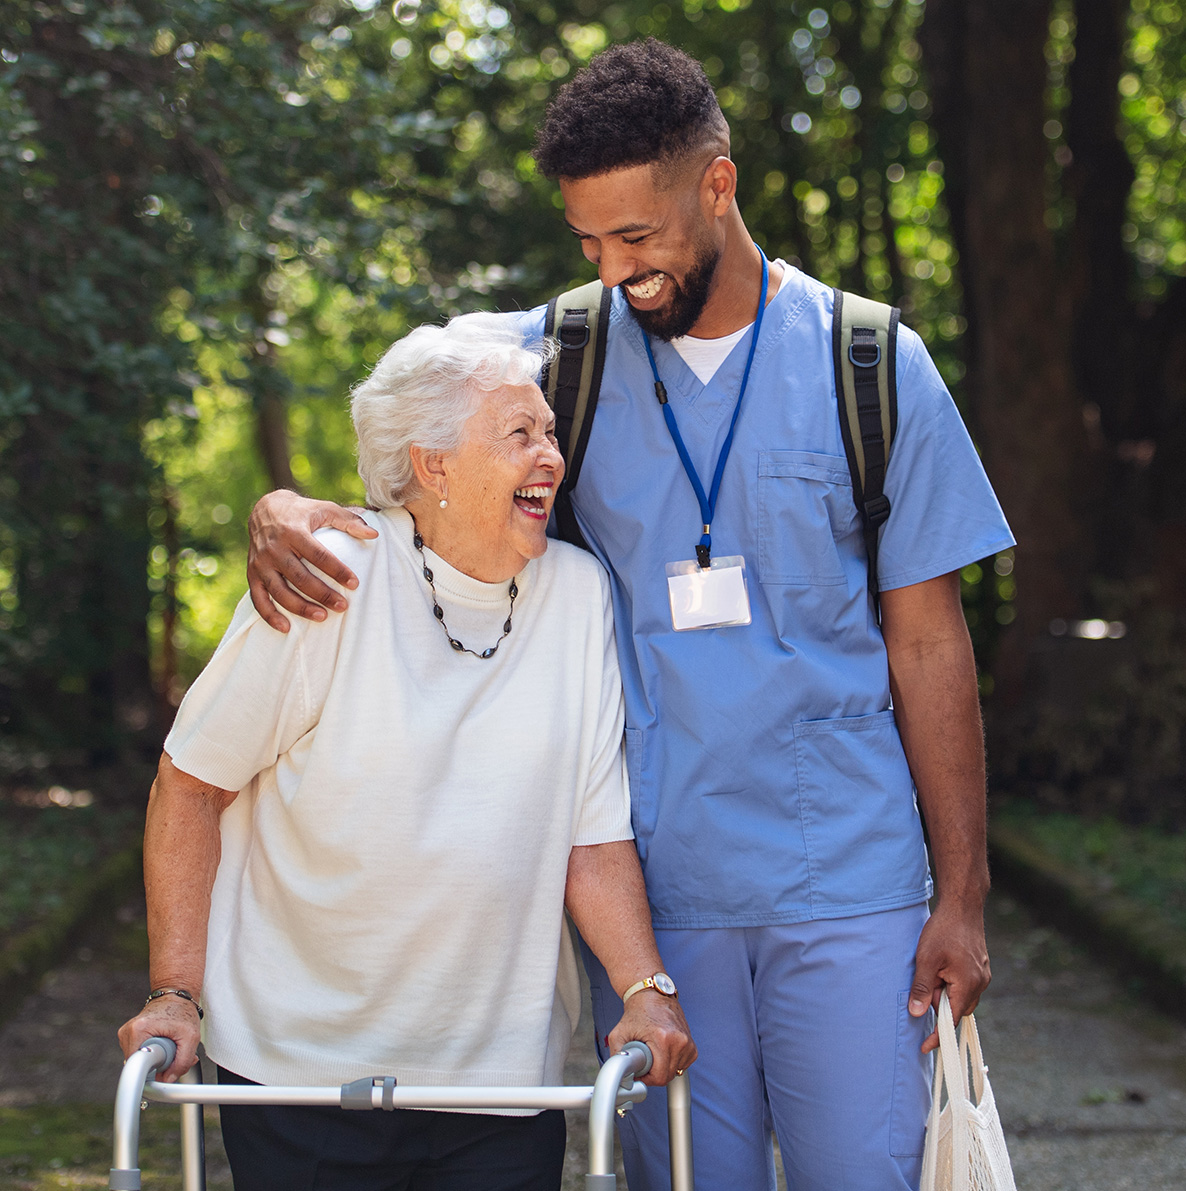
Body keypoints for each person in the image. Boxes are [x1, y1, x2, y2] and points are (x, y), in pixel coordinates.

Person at [244, 40, 1015, 1191]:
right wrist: (281, 503)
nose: (616, 271)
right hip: (656, 895)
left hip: (848, 887)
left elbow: (929, 643)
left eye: (638, 239)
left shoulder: (873, 365)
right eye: (589, 244)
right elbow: (409, 440)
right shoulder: (557, 355)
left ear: (718, 183)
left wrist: (963, 896)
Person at [118, 313, 695, 1191]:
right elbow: (190, 783)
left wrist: (643, 986)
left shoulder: (577, 597)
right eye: (518, 434)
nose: (550, 456)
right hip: (299, 1072)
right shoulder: (330, 574)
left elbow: (591, 836)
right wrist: (174, 991)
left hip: (502, 1079)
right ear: (431, 464)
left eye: (548, 432)